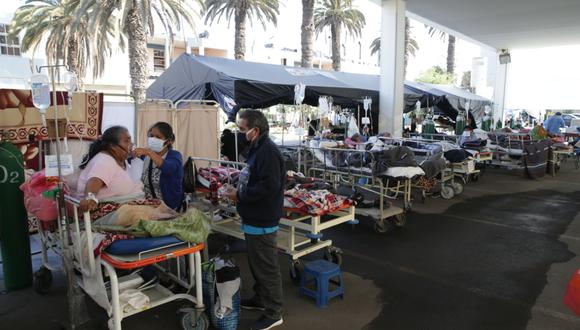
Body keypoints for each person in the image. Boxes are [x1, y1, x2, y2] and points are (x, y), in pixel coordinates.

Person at [226, 110, 285, 330]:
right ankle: (262, 298)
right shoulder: (258, 149)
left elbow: (269, 187)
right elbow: (255, 177)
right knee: (257, 263)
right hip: (254, 217)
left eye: (242, 129)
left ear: (255, 130)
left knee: (266, 266)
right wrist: (238, 184)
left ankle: (274, 311)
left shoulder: (268, 152)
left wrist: (239, 194)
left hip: (263, 219)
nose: (240, 133)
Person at [77, 126, 143, 213]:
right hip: (110, 210)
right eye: (126, 141)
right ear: (113, 146)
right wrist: (90, 198)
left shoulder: (121, 159)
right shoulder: (105, 160)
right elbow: (94, 180)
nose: (131, 145)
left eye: (130, 140)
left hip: (126, 204)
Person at [133, 122, 184, 210]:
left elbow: (168, 168)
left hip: (169, 207)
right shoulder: (145, 157)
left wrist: (149, 152)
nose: (153, 139)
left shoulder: (175, 156)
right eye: (151, 136)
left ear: (168, 141)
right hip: (148, 205)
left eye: (158, 137)